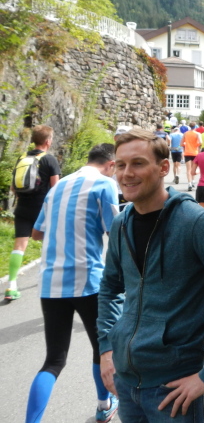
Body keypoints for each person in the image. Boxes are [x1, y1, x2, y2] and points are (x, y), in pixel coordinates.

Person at [97, 128, 204, 422]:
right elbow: (110, 288)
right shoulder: (121, 223)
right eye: (120, 165)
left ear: (164, 167)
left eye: (138, 163)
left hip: (172, 387)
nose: (126, 173)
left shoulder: (196, 222)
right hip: (126, 381)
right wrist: (107, 348)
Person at [26, 144, 119, 423]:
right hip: (88, 279)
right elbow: (115, 232)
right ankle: (104, 405)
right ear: (111, 164)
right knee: (101, 348)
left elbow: (36, 233)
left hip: (50, 282)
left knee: (54, 360)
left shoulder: (58, 187)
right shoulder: (105, 184)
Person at [4, 125, 60, 301]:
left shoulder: (22, 158)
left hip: (22, 208)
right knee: (49, 243)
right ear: (48, 141)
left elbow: (13, 188)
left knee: (19, 246)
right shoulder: (49, 160)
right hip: (42, 209)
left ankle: (11, 285)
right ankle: (49, 280)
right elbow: (56, 189)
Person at [182, 123, 202, 191]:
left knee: (188, 169)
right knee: (194, 168)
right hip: (195, 153)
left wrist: (186, 145)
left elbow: (181, 143)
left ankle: (189, 183)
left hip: (187, 152)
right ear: (195, 127)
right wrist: (196, 145)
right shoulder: (197, 134)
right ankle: (193, 180)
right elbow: (201, 142)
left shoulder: (185, 133)